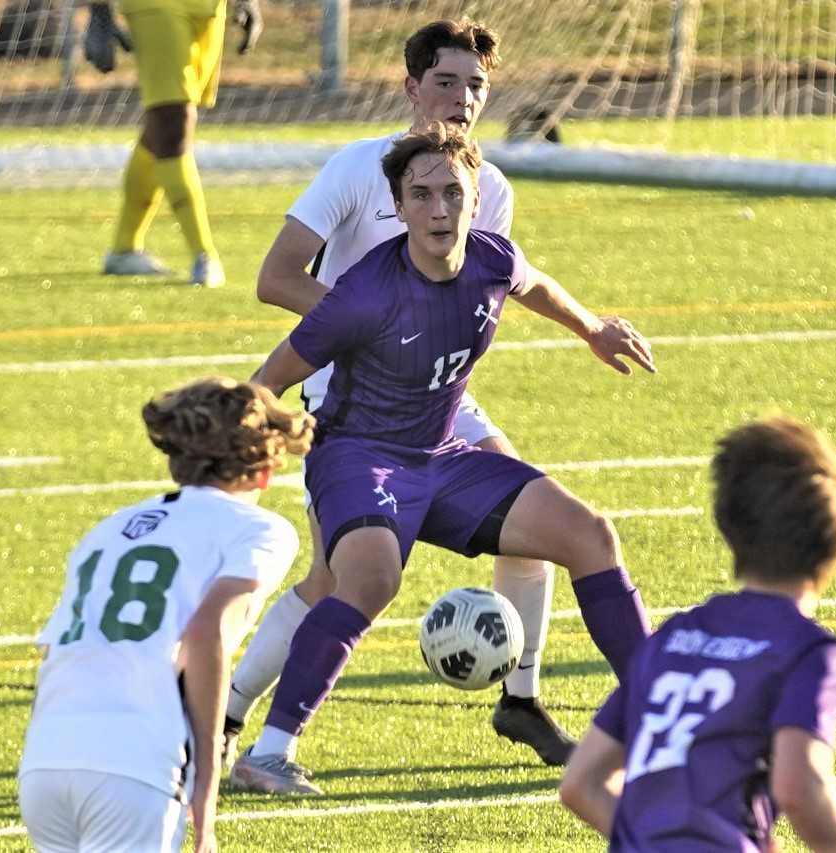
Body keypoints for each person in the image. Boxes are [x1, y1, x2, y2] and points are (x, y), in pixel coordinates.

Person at [227, 126, 656, 795]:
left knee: (589, 534)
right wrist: (250, 458)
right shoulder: (364, 294)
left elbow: (534, 282)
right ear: (398, 206)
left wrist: (593, 328)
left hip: (441, 453)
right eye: (420, 194)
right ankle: (270, 750)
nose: (437, 208)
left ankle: (664, 719)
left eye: (452, 191)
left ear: (474, 196)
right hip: (357, 455)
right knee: (367, 578)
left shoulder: (491, 259)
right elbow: (270, 375)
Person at [226, 17, 577, 768]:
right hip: (346, 393)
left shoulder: (491, 189)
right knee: (333, 581)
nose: (462, 98)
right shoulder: (358, 168)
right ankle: (234, 716)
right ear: (411, 86)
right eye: (445, 82)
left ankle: (520, 697)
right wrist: (370, 324)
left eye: (476, 86)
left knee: (533, 522)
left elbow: (480, 292)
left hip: (441, 400)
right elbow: (276, 276)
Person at [18, 378, 313, 852]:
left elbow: (56, 648)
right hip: (132, 759)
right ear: (264, 469)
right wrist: (206, 779)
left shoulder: (110, 529)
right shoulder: (259, 530)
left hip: (46, 759)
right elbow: (208, 631)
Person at [559, 417, 836, 853]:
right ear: (835, 541)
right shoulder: (812, 654)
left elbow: (580, 784)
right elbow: (799, 785)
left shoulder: (673, 638)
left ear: (730, 524)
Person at [84, 0, 264, 287]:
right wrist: (99, 10)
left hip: (209, 8)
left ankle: (124, 248)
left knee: (163, 126)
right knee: (174, 118)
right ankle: (204, 254)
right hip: (156, 5)